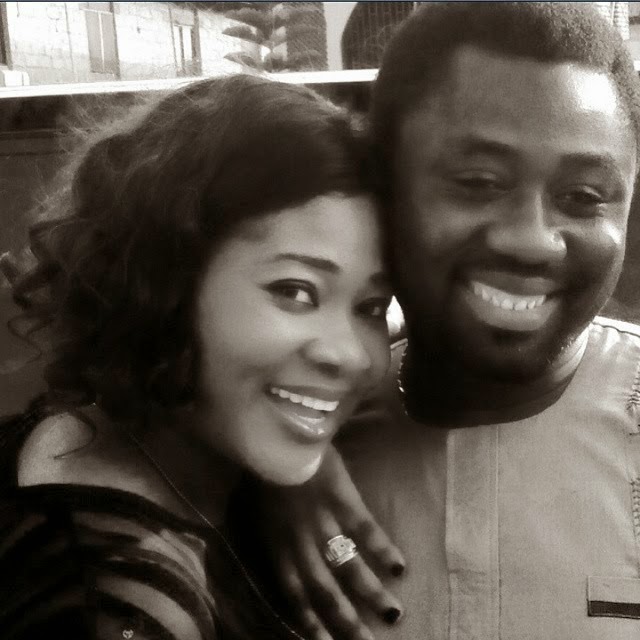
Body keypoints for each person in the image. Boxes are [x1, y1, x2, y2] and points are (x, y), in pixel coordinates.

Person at [263, 3, 640, 639]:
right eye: (478, 181)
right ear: (384, 188)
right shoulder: (279, 430)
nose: (532, 240)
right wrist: (278, 461)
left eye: (582, 197)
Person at [0, 73, 396, 639]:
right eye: (294, 291)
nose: (350, 355)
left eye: (371, 306)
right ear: (165, 282)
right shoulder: (119, 602)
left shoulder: (90, 430)